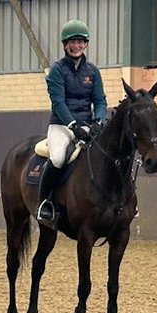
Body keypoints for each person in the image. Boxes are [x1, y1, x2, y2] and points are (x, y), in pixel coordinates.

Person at [40, 19, 107, 227]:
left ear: (85, 44)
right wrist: (72, 126)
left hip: (86, 125)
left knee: (105, 154)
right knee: (59, 157)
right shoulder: (57, 70)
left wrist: (99, 120)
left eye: (80, 42)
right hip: (61, 126)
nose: (76, 46)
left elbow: (100, 100)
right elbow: (58, 102)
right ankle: (45, 202)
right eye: (72, 42)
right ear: (65, 45)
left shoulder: (93, 71)